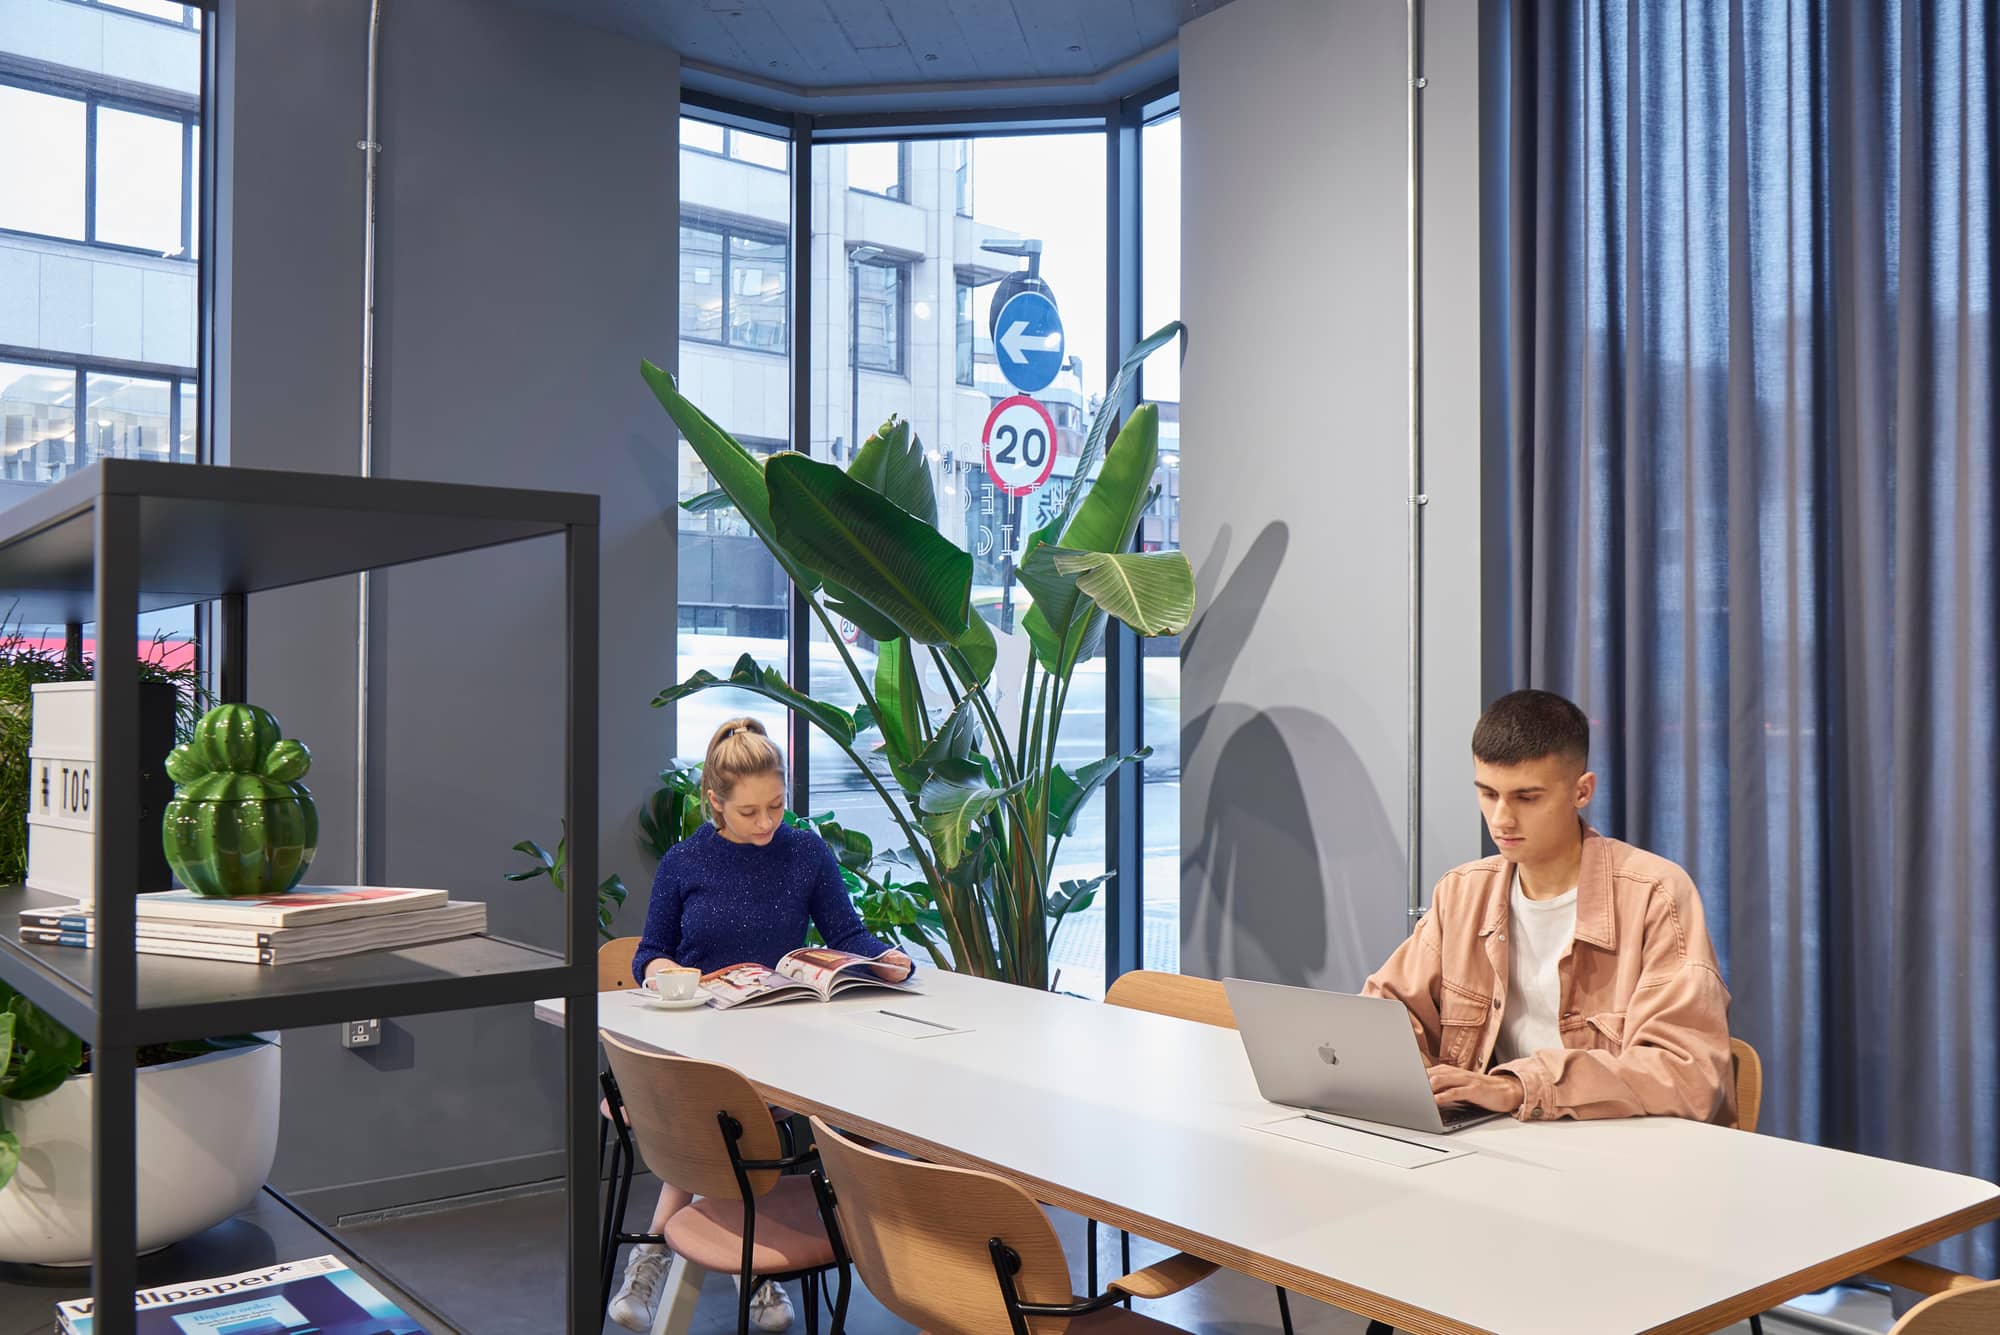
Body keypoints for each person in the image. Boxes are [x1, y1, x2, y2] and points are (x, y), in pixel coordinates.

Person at [608, 717, 914, 1332]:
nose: (767, 823)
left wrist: (880, 957)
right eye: (749, 811)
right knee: (727, 1119)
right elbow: (649, 953)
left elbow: (844, 931)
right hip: (697, 1037)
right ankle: (753, 1271)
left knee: (739, 1119)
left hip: (783, 1034)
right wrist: (667, 969)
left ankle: (659, 1251)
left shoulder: (805, 851)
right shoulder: (685, 860)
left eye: (776, 805)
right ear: (714, 802)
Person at [1362, 689, 1736, 1125]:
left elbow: (1687, 1073)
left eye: (1527, 797)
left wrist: (1519, 1086)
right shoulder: (1463, 892)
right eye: (1488, 793)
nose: (1501, 818)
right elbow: (1386, 1012)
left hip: (1619, 1154)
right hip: (1497, 1144)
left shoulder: (1656, 894)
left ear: (1582, 791)